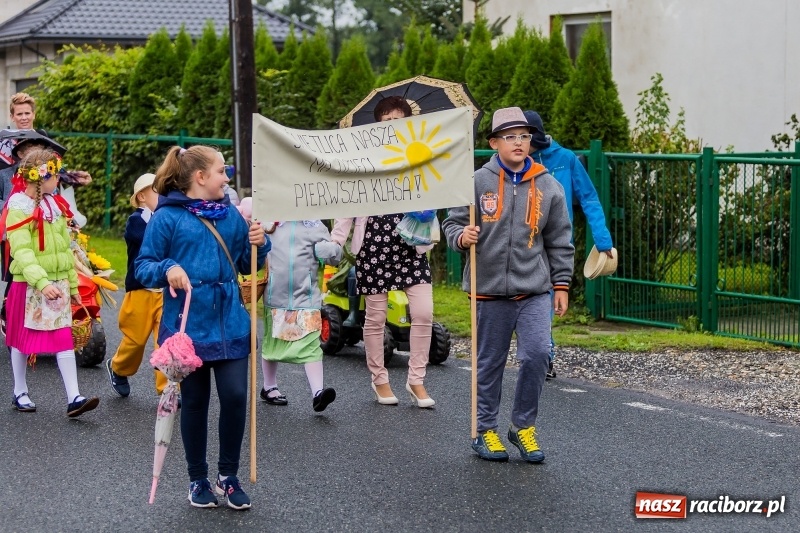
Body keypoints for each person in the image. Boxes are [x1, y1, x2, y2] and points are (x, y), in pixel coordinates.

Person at [134, 145, 270, 510]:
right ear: (200, 177)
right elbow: (142, 266)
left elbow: (245, 263)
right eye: (222, 172)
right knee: (195, 402)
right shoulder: (167, 218)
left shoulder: (230, 215)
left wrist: (261, 242)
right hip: (186, 329)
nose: (227, 178)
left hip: (231, 323)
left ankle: (228, 476)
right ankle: (198, 480)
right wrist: (167, 268)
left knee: (236, 396)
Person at [442, 107, 574, 463]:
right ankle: (485, 430)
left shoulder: (548, 185)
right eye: (510, 136)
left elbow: (560, 239)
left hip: (534, 290)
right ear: (494, 143)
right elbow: (452, 224)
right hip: (488, 291)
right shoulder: (475, 182)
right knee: (490, 363)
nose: (519, 143)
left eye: (525, 136)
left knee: (536, 356)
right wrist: (461, 236)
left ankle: (523, 426)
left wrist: (561, 284)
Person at [331, 95, 436, 408]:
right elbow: (348, 204)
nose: (393, 125)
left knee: (423, 312)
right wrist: (336, 240)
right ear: (378, 125)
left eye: (399, 120)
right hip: (374, 244)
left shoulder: (420, 158)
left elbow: (436, 191)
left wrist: (428, 210)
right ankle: (379, 378)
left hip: (410, 247)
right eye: (387, 120)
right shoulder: (364, 161)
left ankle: (416, 379)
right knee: (375, 316)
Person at [3, 146, 100, 416]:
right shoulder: (19, 207)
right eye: (56, 174)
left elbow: (64, 248)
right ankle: (20, 390)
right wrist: (42, 283)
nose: (60, 179)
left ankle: (74, 397)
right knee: (22, 340)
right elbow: (21, 251)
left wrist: (72, 283)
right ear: (40, 177)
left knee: (63, 339)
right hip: (31, 284)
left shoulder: (54, 205)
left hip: (56, 283)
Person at [523, 110, 614, 380]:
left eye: (527, 138)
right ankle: (536, 350)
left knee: (547, 297)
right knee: (528, 298)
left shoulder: (566, 159)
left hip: (557, 241)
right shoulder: (518, 160)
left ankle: (545, 356)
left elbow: (588, 197)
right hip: (524, 242)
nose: (522, 144)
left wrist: (603, 238)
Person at [259, 218, 341, 413]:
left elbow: (334, 258)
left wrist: (330, 250)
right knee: (272, 343)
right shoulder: (269, 223)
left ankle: (318, 393)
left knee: (311, 344)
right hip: (275, 297)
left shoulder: (315, 225)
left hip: (306, 298)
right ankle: (269, 386)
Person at [105, 173, 168, 397]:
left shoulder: (166, 217)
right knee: (135, 340)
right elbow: (147, 240)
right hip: (141, 289)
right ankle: (118, 367)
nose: (162, 195)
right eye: (156, 190)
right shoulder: (137, 221)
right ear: (141, 196)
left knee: (166, 341)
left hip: (165, 290)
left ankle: (168, 388)